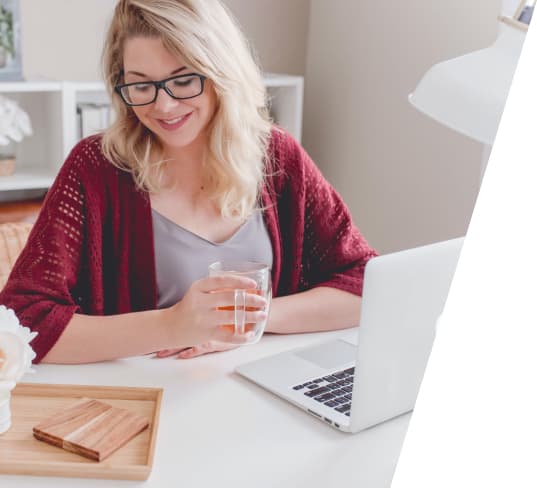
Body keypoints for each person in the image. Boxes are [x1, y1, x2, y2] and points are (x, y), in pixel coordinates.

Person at [0, 0, 377, 364]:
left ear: (221, 72)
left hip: (258, 394)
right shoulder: (95, 168)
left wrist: (248, 319)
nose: (163, 106)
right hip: (141, 406)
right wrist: (172, 326)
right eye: (141, 85)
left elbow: (367, 284)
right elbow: (22, 321)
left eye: (183, 80)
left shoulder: (279, 157)